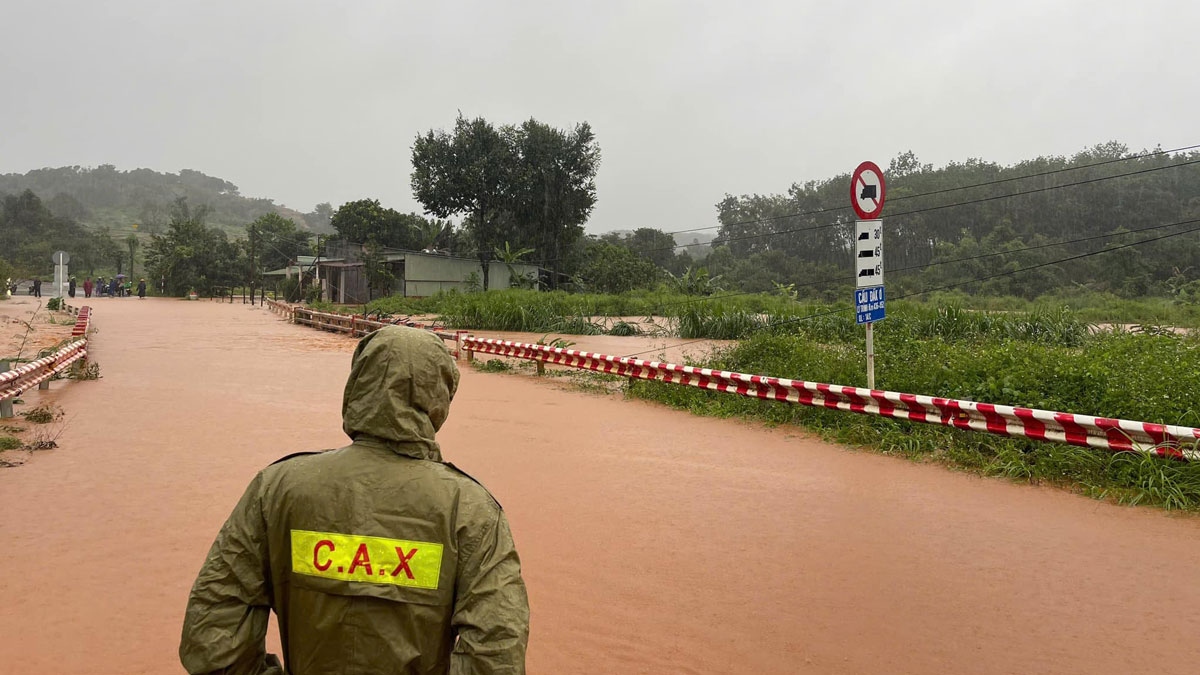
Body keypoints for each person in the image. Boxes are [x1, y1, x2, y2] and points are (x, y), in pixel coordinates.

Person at [179, 326, 529, 675]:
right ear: (438, 396)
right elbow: (495, 656)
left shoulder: (277, 489)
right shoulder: (470, 510)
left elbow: (213, 631)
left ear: (359, 385)